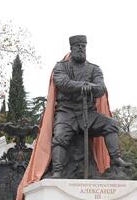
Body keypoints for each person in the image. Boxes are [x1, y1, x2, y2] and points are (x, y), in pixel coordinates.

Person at [51, 35, 131, 177]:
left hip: (88, 113)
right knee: (60, 136)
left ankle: (115, 159)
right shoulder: (60, 66)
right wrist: (83, 85)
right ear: (71, 48)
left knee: (111, 124)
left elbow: (100, 88)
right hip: (67, 111)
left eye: (83, 46)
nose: (81, 49)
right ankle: (57, 171)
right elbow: (63, 83)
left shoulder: (94, 69)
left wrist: (91, 87)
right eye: (78, 46)